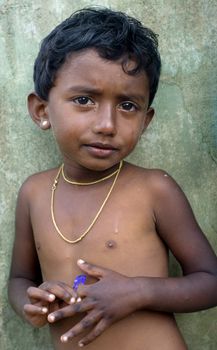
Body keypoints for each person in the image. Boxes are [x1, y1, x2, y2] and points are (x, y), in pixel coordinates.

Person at [8, 7, 217, 350]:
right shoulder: (34, 192)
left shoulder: (154, 189)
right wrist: (31, 302)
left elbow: (211, 281)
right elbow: (19, 279)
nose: (107, 124)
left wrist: (138, 291)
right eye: (84, 100)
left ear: (146, 121)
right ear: (42, 111)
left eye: (127, 106)